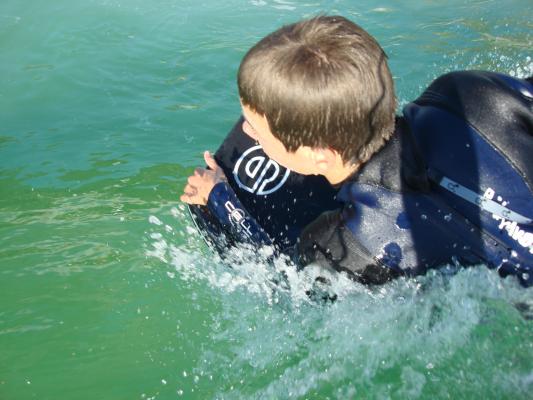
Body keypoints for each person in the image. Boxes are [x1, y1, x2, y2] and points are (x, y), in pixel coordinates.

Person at [181, 16, 533, 286]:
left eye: (256, 129)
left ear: (320, 154)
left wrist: (218, 202)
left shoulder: (343, 247)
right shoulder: (466, 95)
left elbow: (283, 286)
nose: (245, 131)